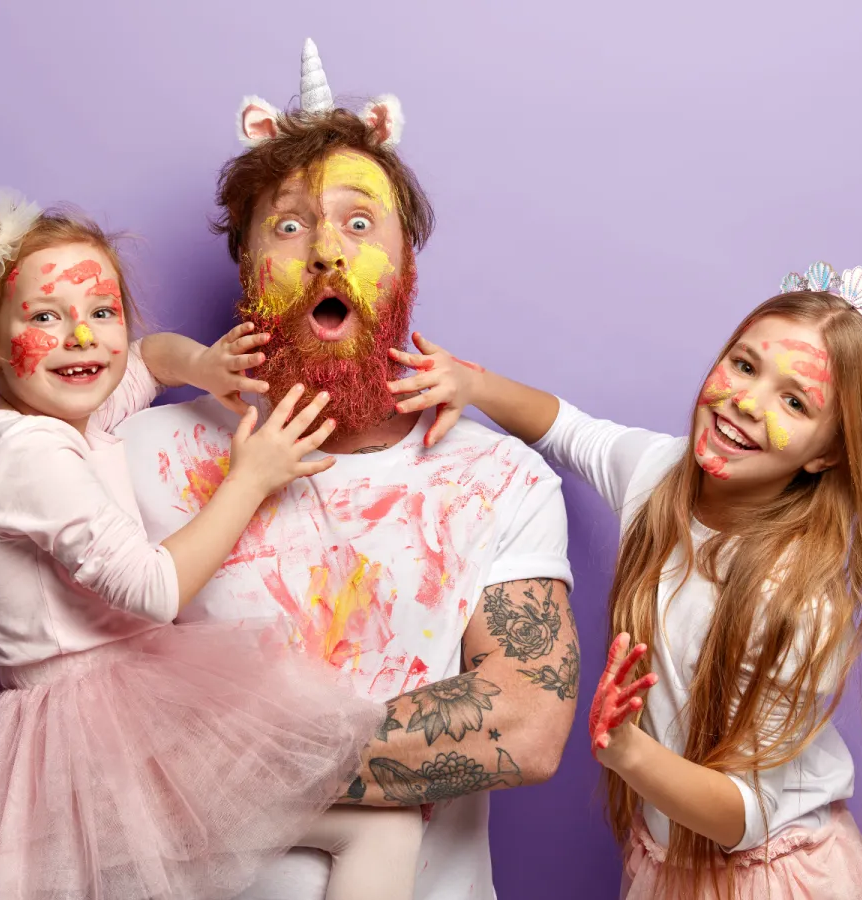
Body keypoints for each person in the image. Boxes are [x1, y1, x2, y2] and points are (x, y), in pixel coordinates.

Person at [116, 40, 577, 899]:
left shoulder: (494, 478)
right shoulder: (142, 458)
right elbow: (75, 725)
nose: (327, 251)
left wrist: (228, 761)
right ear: (249, 271)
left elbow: (525, 722)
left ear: (405, 267)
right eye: (289, 227)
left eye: (360, 225)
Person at [0, 189, 426, 900]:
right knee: (378, 827)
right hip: (89, 736)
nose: (85, 339)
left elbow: (148, 359)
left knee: (375, 827)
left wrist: (200, 365)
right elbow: (155, 592)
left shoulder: (54, 416)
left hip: (102, 710)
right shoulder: (27, 455)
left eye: (102, 313)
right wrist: (249, 480)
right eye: (46, 317)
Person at [392, 262, 862, 898]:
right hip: (668, 862)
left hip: (770, 876)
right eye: (745, 366)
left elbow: (746, 817)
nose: (746, 402)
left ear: (825, 454)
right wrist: (471, 383)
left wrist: (627, 753)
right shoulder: (658, 474)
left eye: (794, 401)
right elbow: (567, 428)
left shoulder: (798, 600)